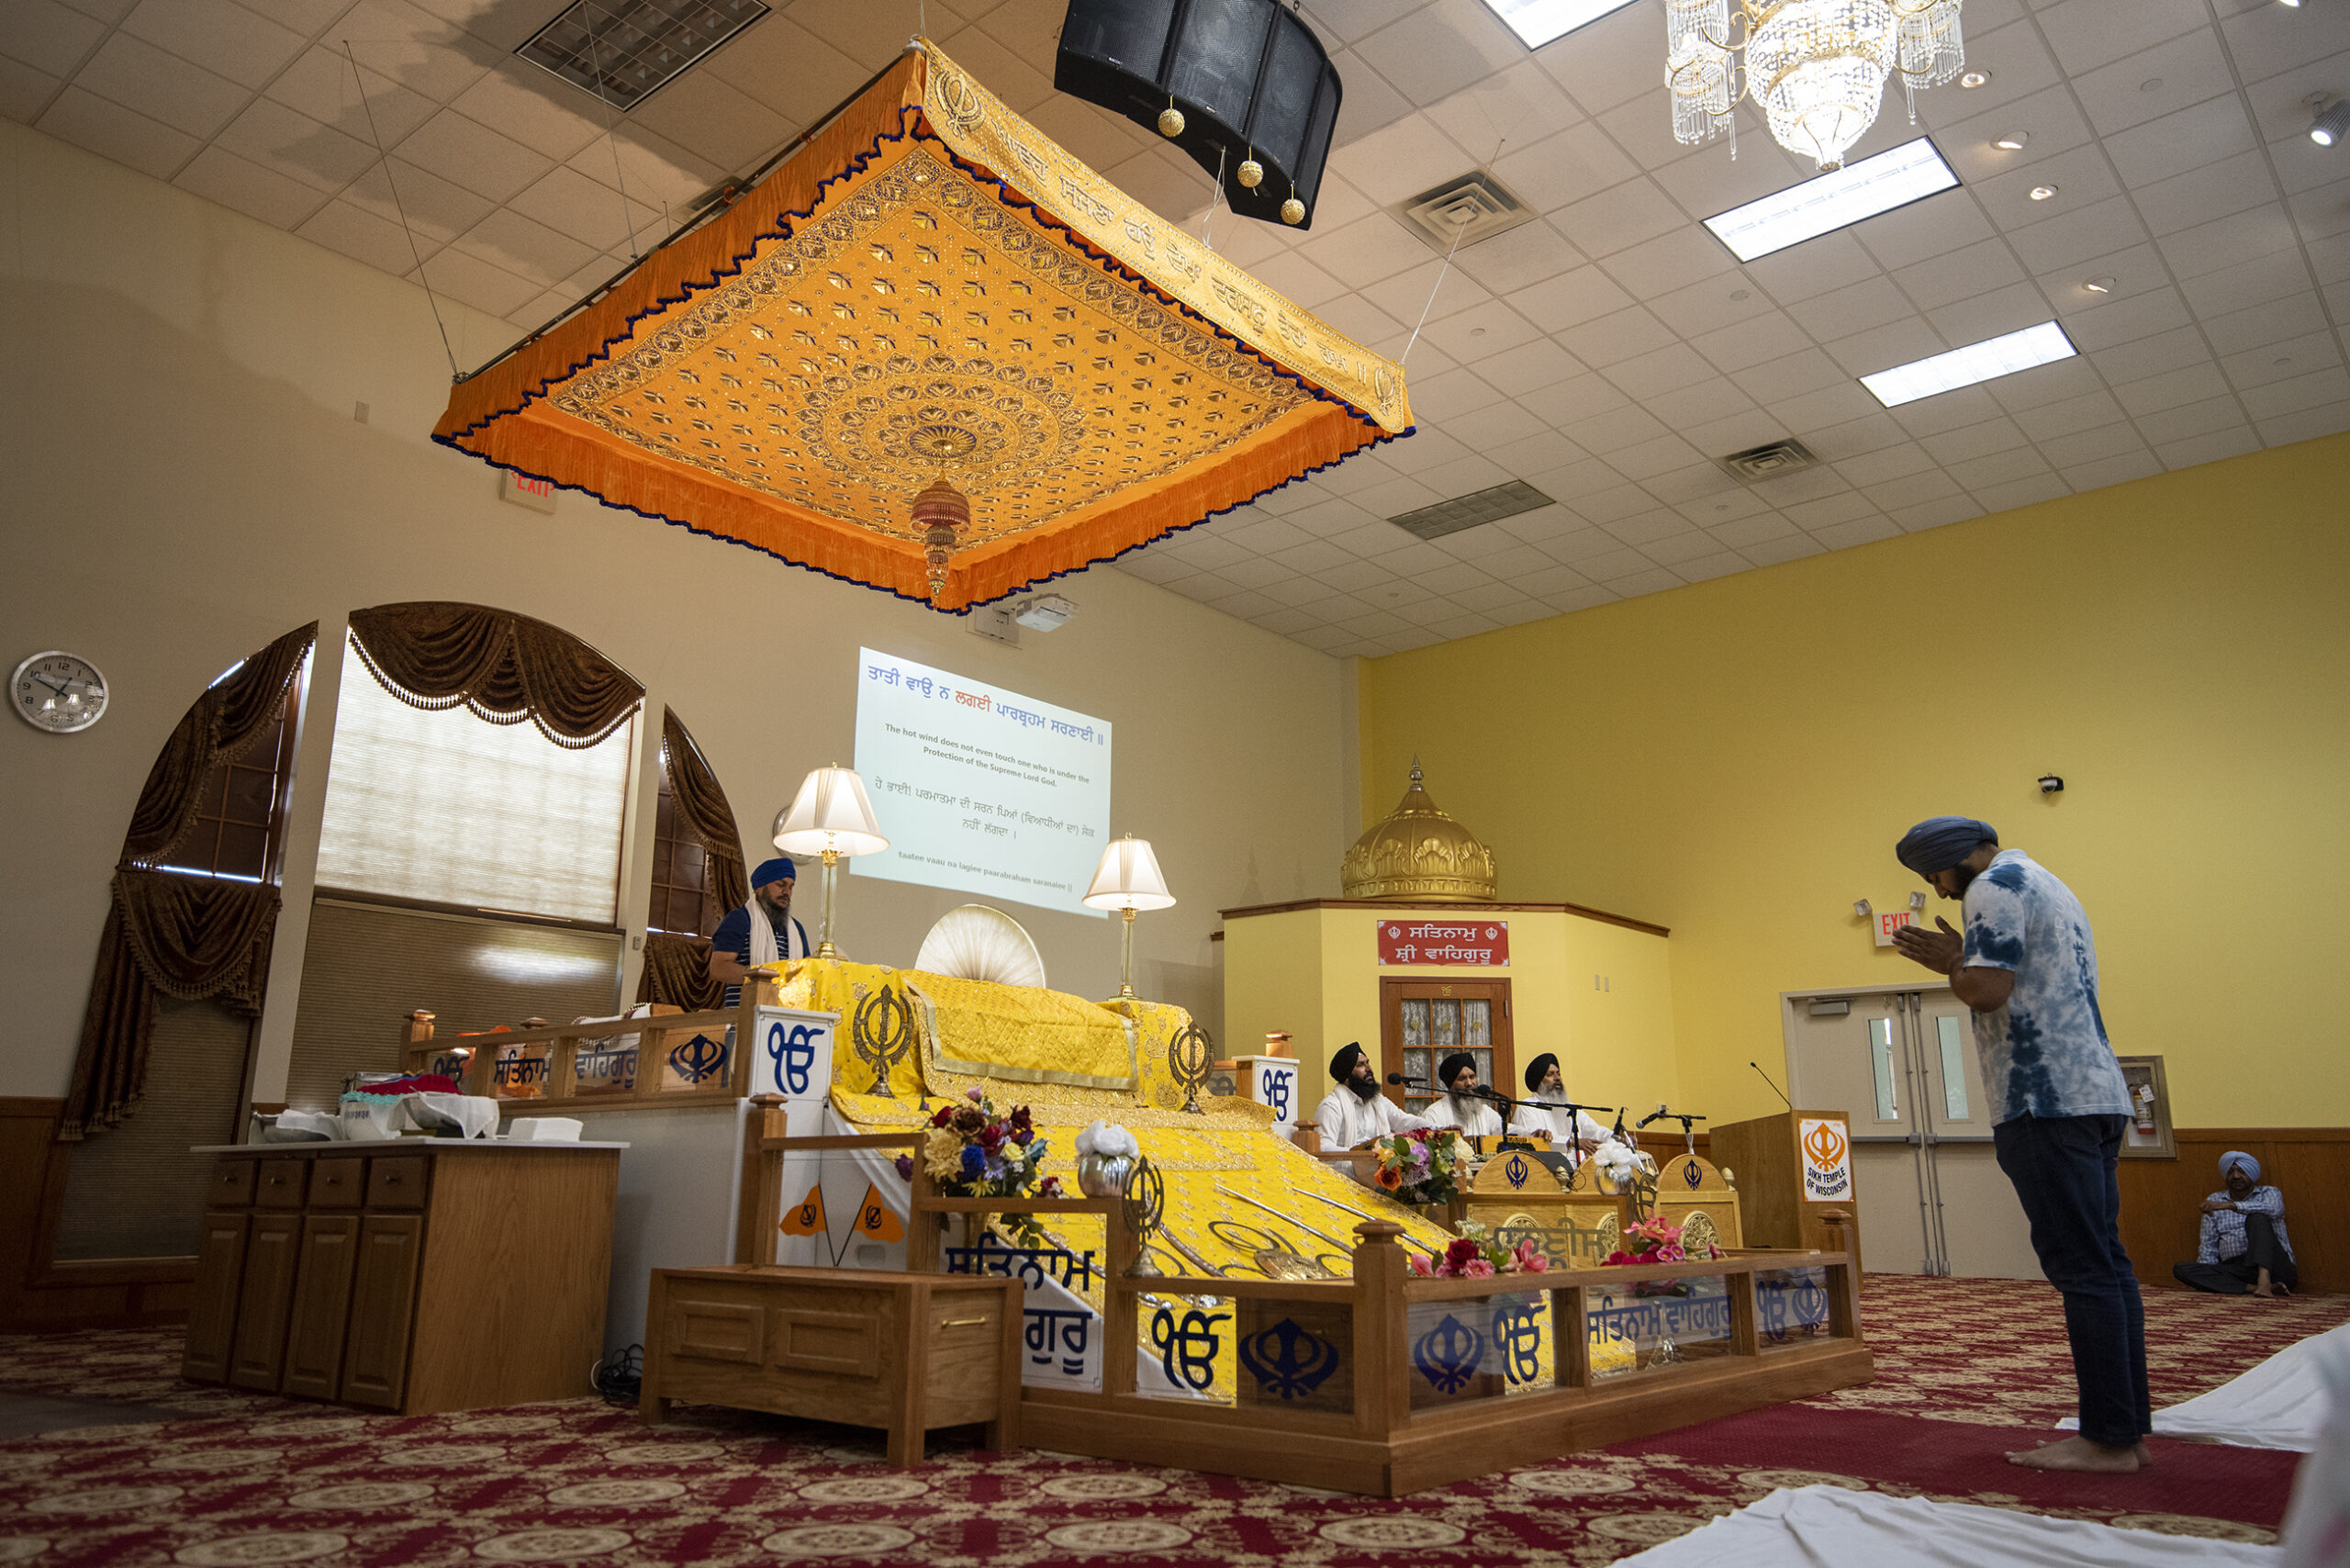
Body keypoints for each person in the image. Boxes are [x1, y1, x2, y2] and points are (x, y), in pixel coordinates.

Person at [1890, 815, 2150, 1474]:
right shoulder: (2048, 882)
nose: (1939, 891)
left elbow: (1985, 991)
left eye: (1934, 876)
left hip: (2044, 1099)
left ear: (1951, 862)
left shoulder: (1992, 887)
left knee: (2082, 1269)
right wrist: (1964, 958)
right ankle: (2124, 1427)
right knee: (2108, 1263)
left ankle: (2107, 1441)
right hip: (2095, 1093)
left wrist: (1954, 962)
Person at [2175, 1152, 2297, 1298]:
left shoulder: (2269, 1192)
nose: (2236, 1176)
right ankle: (2254, 1288)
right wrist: (2207, 1273)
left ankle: (2264, 1281)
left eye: (2242, 1171)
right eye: (2231, 1172)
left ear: (2252, 1173)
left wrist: (2229, 1206)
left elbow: (2274, 1209)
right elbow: (2209, 1245)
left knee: (2257, 1217)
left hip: (2276, 1267)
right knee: (2181, 1269)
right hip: (2239, 1269)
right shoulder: (2215, 1199)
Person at [707, 857, 811, 1009]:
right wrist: (759, 977)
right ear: (760, 888)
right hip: (743, 1015)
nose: (786, 892)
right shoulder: (740, 919)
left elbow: (804, 971)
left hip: (786, 1017)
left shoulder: (796, 928)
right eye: (780, 885)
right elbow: (718, 968)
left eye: (791, 887)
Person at [1308, 1042, 1434, 1149]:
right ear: (1347, 1076)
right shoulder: (1331, 1106)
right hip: (1344, 1174)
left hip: (1377, 1172)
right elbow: (1323, 1147)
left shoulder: (1378, 1102)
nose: (1369, 1068)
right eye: (1360, 1065)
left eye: (1367, 1063)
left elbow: (1405, 1121)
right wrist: (1358, 1153)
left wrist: (1439, 1130)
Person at [1510, 1054, 1610, 1156]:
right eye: (1550, 1074)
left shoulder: (1569, 1108)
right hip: (1544, 1170)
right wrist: (1572, 1142)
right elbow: (1534, 1141)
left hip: (1578, 1171)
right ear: (1538, 1081)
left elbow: (1596, 1132)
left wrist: (1617, 1138)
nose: (1557, 1078)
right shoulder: (1527, 1107)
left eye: (1558, 1074)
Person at [1429, 1052, 1505, 1137]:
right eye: (1462, 1079)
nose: (1469, 1083)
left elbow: (1505, 1129)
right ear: (1450, 1085)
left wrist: (1522, 1132)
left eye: (1472, 1077)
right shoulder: (1434, 1114)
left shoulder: (1485, 1112)